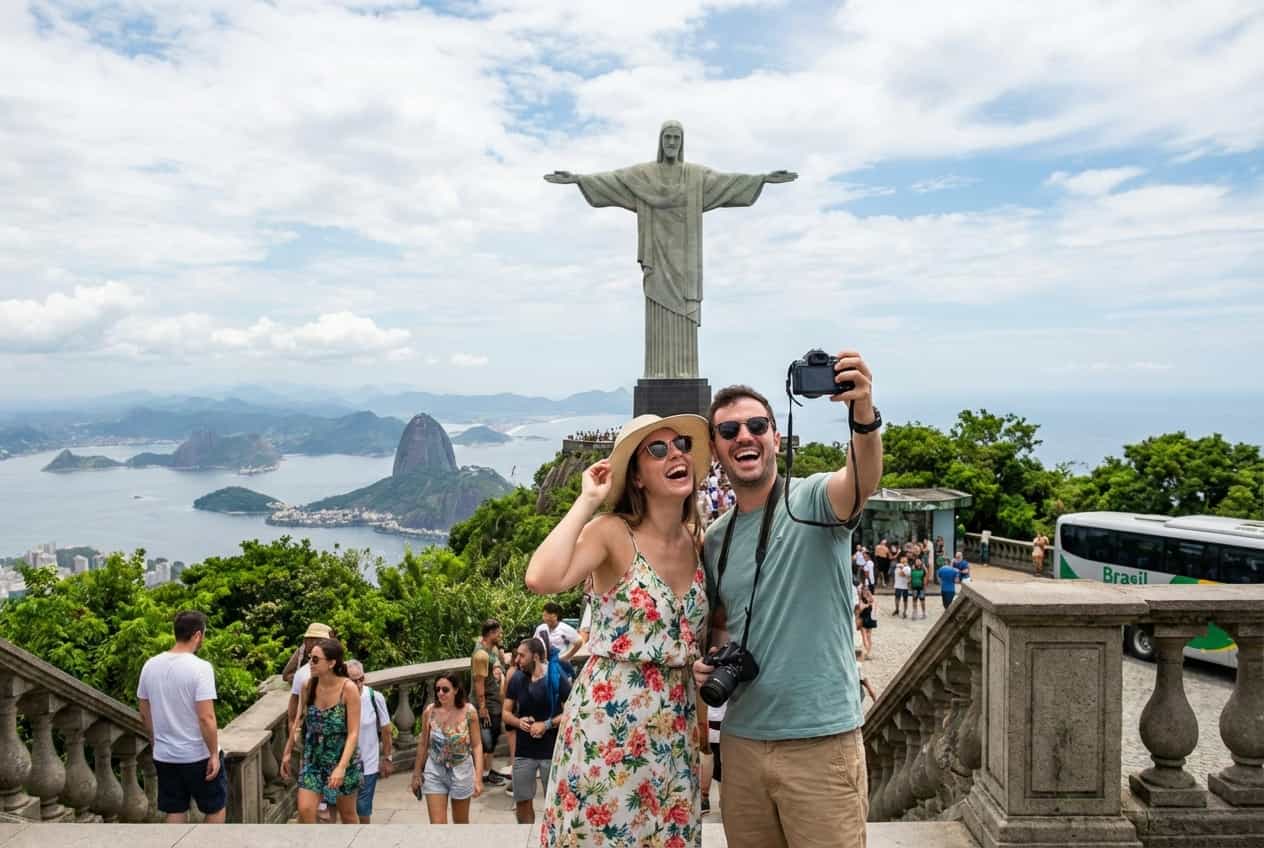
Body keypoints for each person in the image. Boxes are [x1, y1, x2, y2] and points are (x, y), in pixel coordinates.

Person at [695, 362, 883, 848]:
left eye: (757, 426)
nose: (744, 437)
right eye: (729, 430)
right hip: (742, 742)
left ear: (776, 438)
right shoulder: (716, 540)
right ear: (716, 448)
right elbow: (721, 626)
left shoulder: (814, 500)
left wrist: (862, 413)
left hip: (821, 741)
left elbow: (861, 480)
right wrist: (707, 662)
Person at [525, 413, 712, 848]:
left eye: (682, 444)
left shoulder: (698, 540)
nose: (677, 454)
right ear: (638, 477)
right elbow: (541, 576)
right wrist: (589, 499)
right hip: (608, 725)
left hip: (674, 729)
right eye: (658, 450)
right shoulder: (612, 533)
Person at [137, 610, 227, 824]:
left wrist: (155, 740)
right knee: (215, 808)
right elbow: (206, 718)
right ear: (198, 635)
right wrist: (213, 754)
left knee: (175, 810)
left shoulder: (150, 665)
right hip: (197, 755)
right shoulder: (201, 668)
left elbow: (143, 710)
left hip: (165, 754)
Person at [280, 638, 363, 824]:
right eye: (310, 658)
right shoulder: (308, 686)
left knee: (348, 814)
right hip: (314, 758)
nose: (310, 663)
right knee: (305, 810)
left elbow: (353, 733)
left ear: (332, 663)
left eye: (316, 659)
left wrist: (341, 767)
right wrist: (287, 752)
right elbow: (298, 720)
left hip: (342, 758)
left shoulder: (348, 689)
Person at [503, 637, 571, 824]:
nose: (517, 660)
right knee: (522, 802)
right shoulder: (516, 678)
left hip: (551, 751)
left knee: (555, 804)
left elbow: (572, 710)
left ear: (535, 657)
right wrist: (519, 722)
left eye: (521, 656)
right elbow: (506, 713)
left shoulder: (556, 677)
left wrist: (547, 724)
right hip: (524, 752)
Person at [411, 673, 483, 824]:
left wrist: (478, 778)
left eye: (445, 689)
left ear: (456, 690)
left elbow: (477, 745)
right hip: (435, 771)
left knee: (461, 823)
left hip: (461, 771)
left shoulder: (469, 712)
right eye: (437, 689)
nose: (440, 693)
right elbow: (423, 744)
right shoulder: (429, 712)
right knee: (437, 825)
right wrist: (416, 773)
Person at [346, 660, 393, 824]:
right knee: (346, 809)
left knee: (363, 807)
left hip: (369, 763)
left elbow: (387, 730)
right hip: (345, 764)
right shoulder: (338, 699)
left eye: (361, 679)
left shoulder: (375, 697)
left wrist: (387, 758)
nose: (358, 684)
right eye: (354, 680)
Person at [470, 619, 511, 787]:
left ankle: (488, 769)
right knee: (486, 739)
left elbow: (499, 663)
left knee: (493, 736)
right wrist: (482, 707)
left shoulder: (491, 648)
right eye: (498, 633)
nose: (500, 636)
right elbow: (479, 683)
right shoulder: (481, 655)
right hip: (486, 703)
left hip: (495, 700)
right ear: (491, 634)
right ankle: (484, 773)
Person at [533, 602, 583, 677]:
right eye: (543, 615)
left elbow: (579, 641)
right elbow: (534, 642)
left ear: (555, 616)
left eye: (546, 615)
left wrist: (567, 656)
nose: (544, 618)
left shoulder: (565, 629)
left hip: (560, 665)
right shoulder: (541, 628)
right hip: (544, 665)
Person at [700, 701, 726, 816]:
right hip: (727, 717)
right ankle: (724, 801)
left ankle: (704, 799)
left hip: (708, 717)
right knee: (724, 761)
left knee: (706, 755)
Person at [856, 581, 877, 659]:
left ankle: (867, 652)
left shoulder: (861, 599)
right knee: (868, 637)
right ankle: (868, 653)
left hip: (864, 619)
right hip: (870, 619)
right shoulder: (871, 599)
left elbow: (860, 609)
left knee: (865, 636)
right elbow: (875, 607)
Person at [891, 553, 911, 617]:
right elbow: (900, 574)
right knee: (897, 599)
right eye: (902, 558)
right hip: (898, 585)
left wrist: (903, 568)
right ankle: (897, 609)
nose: (903, 559)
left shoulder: (908, 567)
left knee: (905, 600)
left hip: (905, 586)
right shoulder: (897, 566)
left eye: (905, 558)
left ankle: (905, 612)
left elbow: (905, 575)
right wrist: (903, 568)